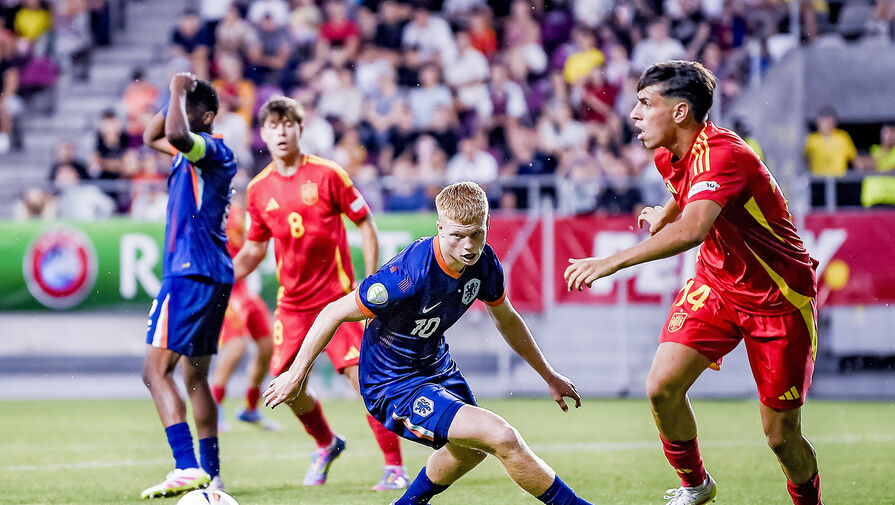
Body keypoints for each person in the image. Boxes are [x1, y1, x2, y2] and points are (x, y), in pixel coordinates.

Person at [564, 60, 823, 505]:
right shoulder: (668, 151)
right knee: (661, 387)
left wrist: (611, 262)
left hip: (779, 298)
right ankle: (696, 485)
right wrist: (667, 211)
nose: (634, 114)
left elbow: (693, 230)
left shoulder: (724, 154)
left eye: (646, 103)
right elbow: (686, 191)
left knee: (781, 437)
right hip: (717, 283)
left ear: (680, 111)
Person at [264, 181, 593, 505]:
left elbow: (507, 320)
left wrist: (548, 375)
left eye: (476, 234)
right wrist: (296, 374)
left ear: (487, 224)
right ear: (440, 228)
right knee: (502, 436)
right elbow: (332, 312)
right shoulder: (408, 274)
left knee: (472, 450)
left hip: (436, 367)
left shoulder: (484, 263)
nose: (468, 246)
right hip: (392, 383)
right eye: (457, 235)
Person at [231, 95, 409, 491]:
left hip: (339, 300)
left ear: (300, 129)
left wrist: (371, 283)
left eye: (287, 124)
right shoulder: (258, 190)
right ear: (263, 134)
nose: (281, 132)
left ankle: (394, 467)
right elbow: (255, 250)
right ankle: (327, 444)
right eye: (273, 126)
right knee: (284, 385)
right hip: (292, 307)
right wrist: (222, 278)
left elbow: (366, 223)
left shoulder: (328, 174)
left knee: (362, 380)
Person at [139, 72, 237, 499]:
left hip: (189, 272)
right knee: (195, 377)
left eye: (182, 106)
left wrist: (179, 88)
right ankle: (211, 476)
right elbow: (151, 136)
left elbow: (176, 133)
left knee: (154, 372)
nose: (173, 112)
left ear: (207, 116)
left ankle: (185, 465)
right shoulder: (186, 152)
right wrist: (176, 95)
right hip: (210, 274)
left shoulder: (211, 149)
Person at [210, 197, 280, 433]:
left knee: (267, 346)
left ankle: (250, 408)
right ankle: (214, 408)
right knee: (237, 345)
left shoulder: (237, 208)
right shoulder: (206, 207)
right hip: (224, 289)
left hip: (243, 288)